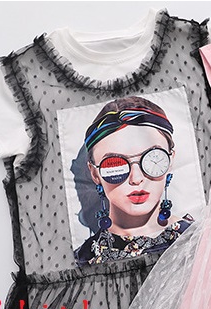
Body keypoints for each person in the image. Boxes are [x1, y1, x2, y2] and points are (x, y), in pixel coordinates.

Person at [75, 96, 191, 265]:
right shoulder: (83, 260)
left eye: (153, 158)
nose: (136, 179)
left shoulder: (201, 240)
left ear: (170, 160)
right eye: (115, 164)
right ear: (94, 173)